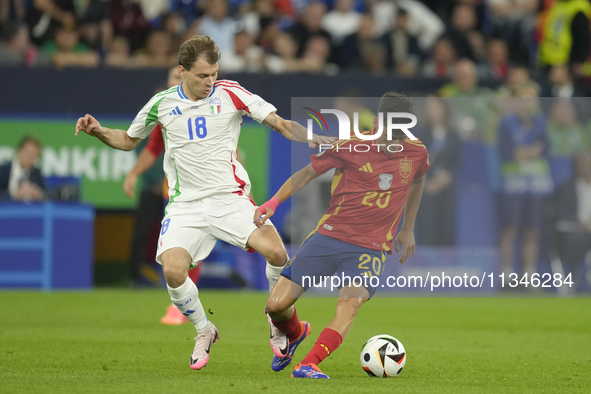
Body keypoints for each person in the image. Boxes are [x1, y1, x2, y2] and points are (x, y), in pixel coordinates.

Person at [75, 34, 333, 370]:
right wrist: (97, 131)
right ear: (182, 71)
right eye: (202, 76)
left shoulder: (230, 92)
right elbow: (127, 140)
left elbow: (280, 124)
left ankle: (278, 322)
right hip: (186, 206)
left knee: (278, 253)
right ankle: (204, 329)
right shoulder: (162, 103)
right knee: (172, 269)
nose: (210, 81)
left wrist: (315, 138)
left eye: (213, 73)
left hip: (230, 198)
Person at [254, 92, 429, 379]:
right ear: (377, 123)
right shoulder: (351, 145)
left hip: (370, 248)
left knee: (351, 303)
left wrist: (408, 228)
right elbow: (307, 173)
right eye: (389, 134)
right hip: (329, 237)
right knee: (275, 306)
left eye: (400, 136)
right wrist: (273, 202)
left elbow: (419, 179)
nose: (395, 143)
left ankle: (308, 364)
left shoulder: (416, 151)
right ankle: (296, 332)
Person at [0, 135, 46, 201]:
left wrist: (38, 194)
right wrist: (14, 194)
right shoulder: (3, 170)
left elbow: (46, 193)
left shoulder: (36, 173)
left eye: (34, 156)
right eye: (28, 154)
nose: (30, 159)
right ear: (19, 151)